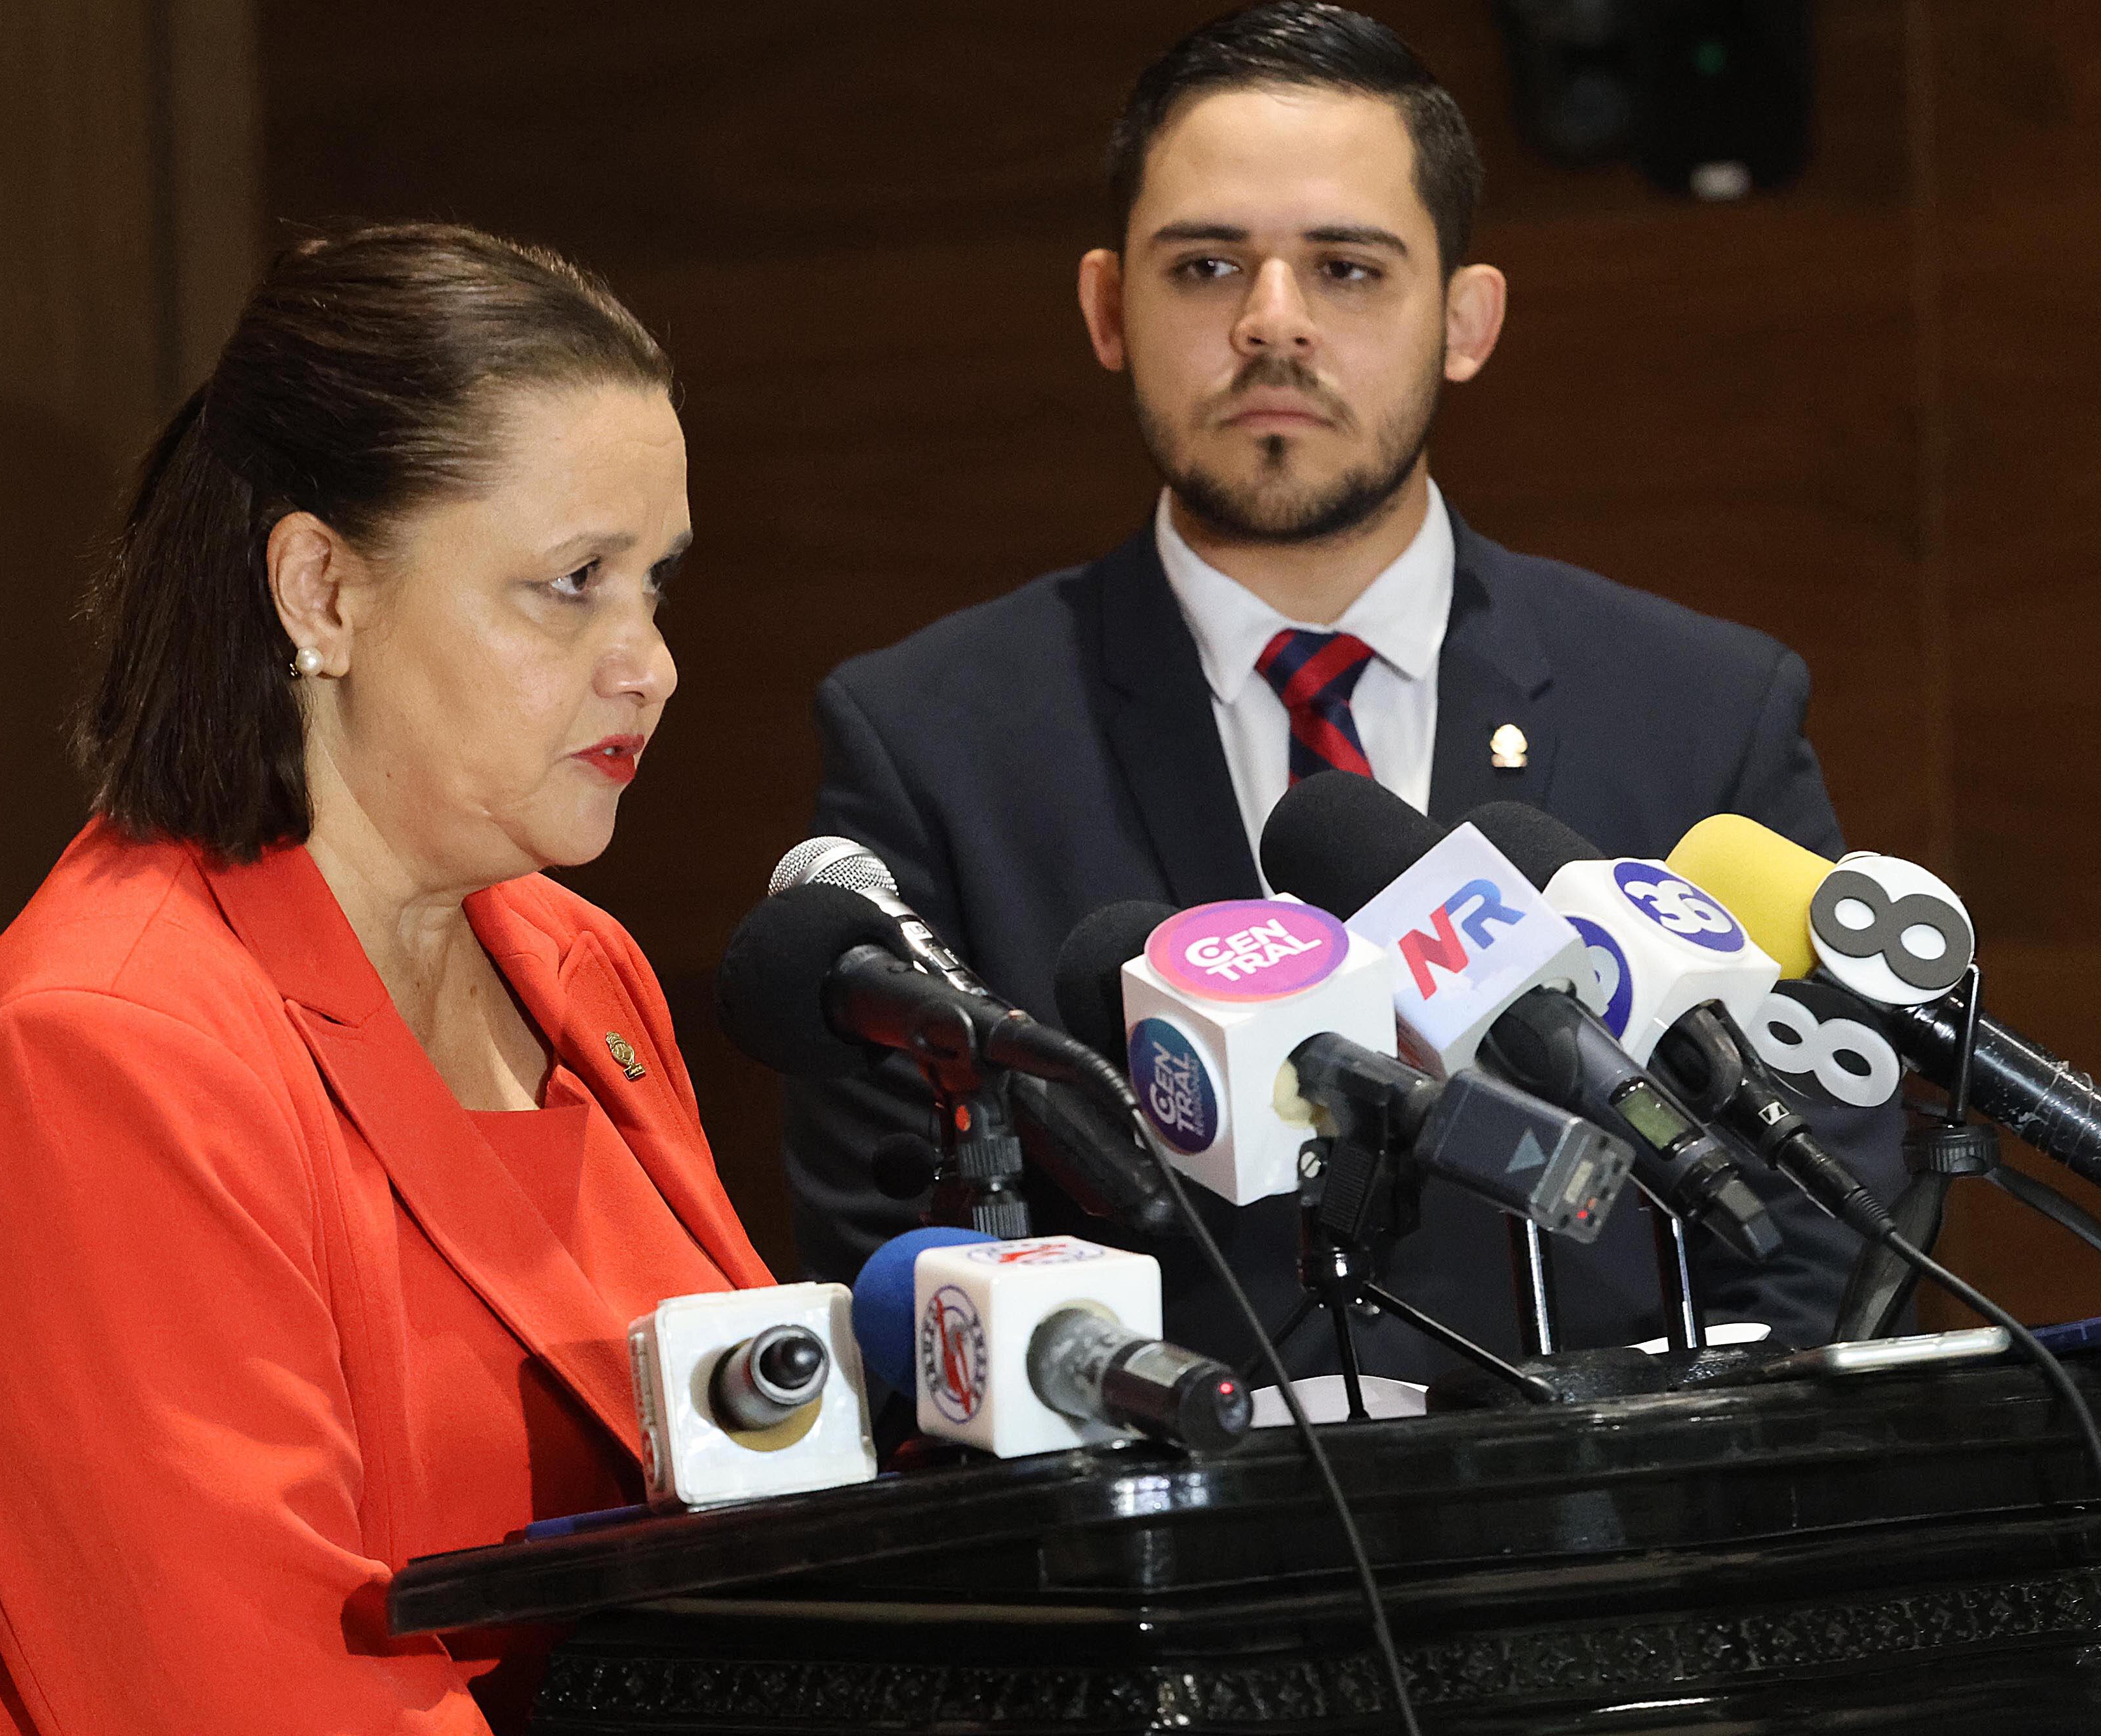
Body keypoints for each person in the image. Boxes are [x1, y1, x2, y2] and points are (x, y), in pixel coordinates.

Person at [782, 3, 1904, 1380]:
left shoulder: (1700, 709)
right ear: (1102, 311)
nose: (1270, 322)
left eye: (1346, 269)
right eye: (1203, 265)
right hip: (1172, 1562)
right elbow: (888, 1239)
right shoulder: (931, 738)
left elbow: (1819, 1187)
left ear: (1465, 321)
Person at [0, 223, 766, 1735]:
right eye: (571, 582)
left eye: (653, 582)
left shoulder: (573, 965)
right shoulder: (99, 1053)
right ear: (320, 591)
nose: (646, 659)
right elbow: (252, 1694)